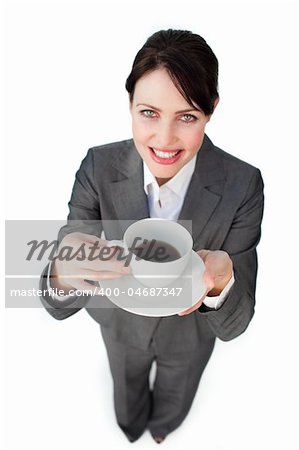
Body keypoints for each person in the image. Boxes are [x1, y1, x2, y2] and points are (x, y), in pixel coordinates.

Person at [39, 29, 264, 444]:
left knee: (176, 400)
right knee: (127, 398)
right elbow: (56, 300)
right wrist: (63, 271)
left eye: (187, 117)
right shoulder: (97, 166)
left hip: (190, 338)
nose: (164, 140)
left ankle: (163, 432)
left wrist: (221, 284)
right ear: (129, 104)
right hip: (119, 329)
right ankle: (130, 431)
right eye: (149, 113)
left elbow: (236, 324)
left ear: (211, 110)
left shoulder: (243, 183)